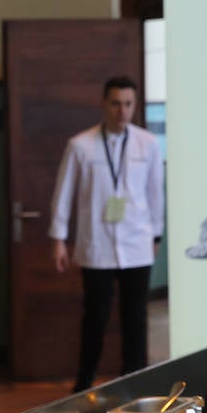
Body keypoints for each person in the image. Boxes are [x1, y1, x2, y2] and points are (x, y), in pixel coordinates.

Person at [48, 75, 164, 392]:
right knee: (95, 319)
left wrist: (156, 235)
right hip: (96, 246)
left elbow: (156, 193)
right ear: (104, 104)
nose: (122, 111)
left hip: (137, 243)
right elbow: (64, 192)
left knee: (135, 319)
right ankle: (84, 384)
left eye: (128, 104)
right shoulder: (81, 145)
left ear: (134, 105)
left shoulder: (148, 144)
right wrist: (58, 238)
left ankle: (137, 384)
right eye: (115, 103)